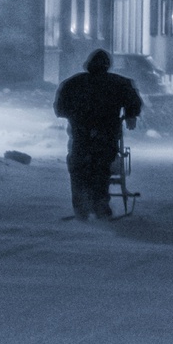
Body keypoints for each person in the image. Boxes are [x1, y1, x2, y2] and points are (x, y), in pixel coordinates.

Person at [53, 49, 142, 220]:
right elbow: (133, 100)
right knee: (101, 167)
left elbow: (60, 108)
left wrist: (75, 115)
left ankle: (81, 206)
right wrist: (131, 115)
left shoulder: (73, 83)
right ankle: (100, 203)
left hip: (81, 134)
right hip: (106, 134)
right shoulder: (119, 83)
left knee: (78, 166)